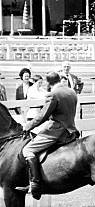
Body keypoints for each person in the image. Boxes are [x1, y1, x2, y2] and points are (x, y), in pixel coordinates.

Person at [16, 72, 79, 200]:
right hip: (70, 130)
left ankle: (35, 183)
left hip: (56, 131)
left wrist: (27, 126)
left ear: (48, 83)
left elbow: (42, 115)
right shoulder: (71, 92)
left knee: (28, 150)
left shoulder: (53, 95)